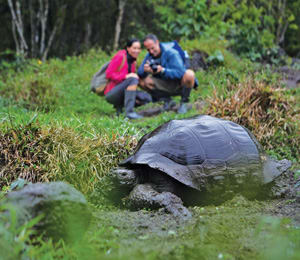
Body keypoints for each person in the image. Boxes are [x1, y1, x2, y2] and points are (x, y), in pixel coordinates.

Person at [138, 34, 196, 114]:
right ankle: (167, 101)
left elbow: (180, 72)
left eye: (152, 48)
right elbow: (140, 72)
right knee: (139, 80)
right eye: (148, 50)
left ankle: (184, 102)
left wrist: (163, 70)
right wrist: (146, 70)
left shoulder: (171, 52)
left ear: (157, 42)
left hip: (178, 84)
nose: (151, 51)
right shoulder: (149, 56)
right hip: (163, 84)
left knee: (189, 74)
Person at [104, 39, 151, 119]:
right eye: (134, 48)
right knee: (132, 79)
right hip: (111, 93)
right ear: (128, 48)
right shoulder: (120, 56)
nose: (137, 51)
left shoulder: (133, 61)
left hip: (122, 90)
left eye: (139, 48)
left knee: (147, 98)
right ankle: (129, 112)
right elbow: (108, 74)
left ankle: (120, 108)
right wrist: (126, 76)